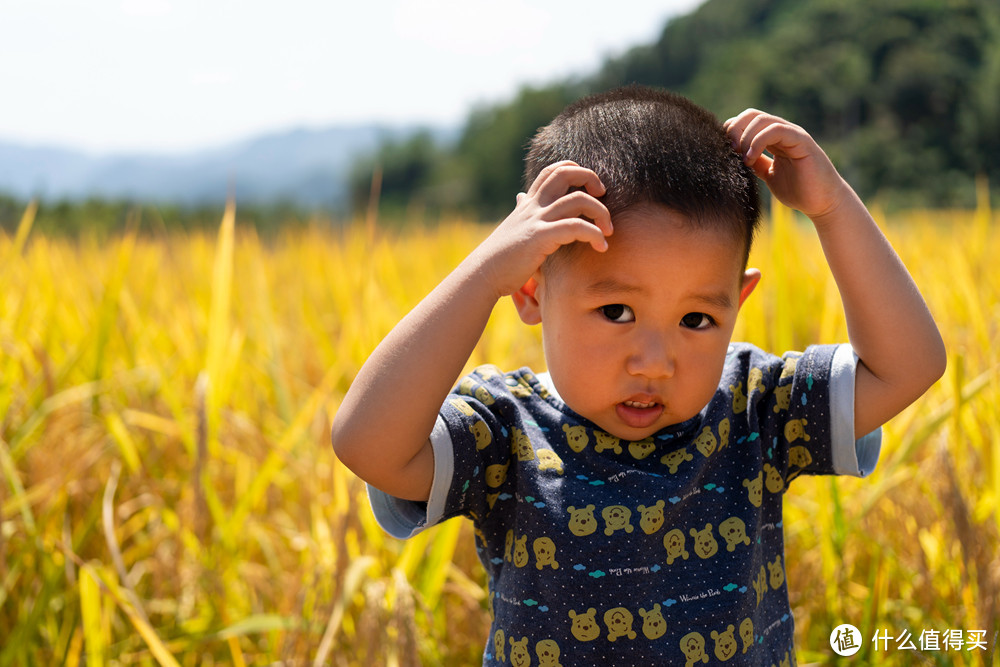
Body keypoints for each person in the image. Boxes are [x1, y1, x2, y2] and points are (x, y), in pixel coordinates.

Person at [331, 85, 945, 664]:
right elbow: (367, 443)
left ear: (739, 303)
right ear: (530, 291)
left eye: (698, 318)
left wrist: (832, 206)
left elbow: (908, 366)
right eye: (616, 311)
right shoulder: (505, 430)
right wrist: (484, 270)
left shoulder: (756, 410)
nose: (654, 361)